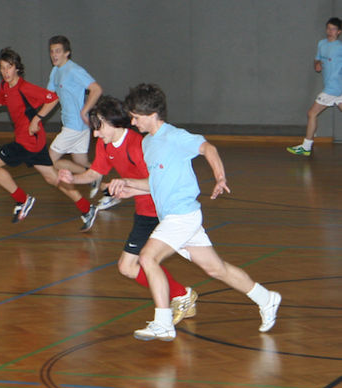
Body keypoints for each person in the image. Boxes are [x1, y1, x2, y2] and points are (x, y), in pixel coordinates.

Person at [114, 83, 281, 341]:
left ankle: (163, 322)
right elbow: (156, 182)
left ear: (150, 114)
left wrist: (220, 177)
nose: (133, 122)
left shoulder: (175, 136)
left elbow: (208, 149)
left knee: (147, 258)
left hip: (182, 216)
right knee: (216, 269)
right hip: (173, 218)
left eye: (135, 117)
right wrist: (129, 186)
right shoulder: (148, 144)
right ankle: (266, 298)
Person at [58, 95, 198, 324]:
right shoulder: (104, 144)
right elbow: (94, 173)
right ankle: (182, 295)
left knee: (200, 263)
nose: (95, 134)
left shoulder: (138, 145)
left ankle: (172, 307)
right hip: (145, 212)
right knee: (127, 266)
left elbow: (158, 183)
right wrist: (72, 178)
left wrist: (127, 184)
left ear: (113, 122)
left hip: (165, 210)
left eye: (98, 127)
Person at [0, 47, 97, 231]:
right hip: (32, 142)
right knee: (53, 179)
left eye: (9, 67)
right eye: (2, 68)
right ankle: (86, 208)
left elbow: (53, 98)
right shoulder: (6, 86)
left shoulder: (25, 88)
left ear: (17, 68)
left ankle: (23, 199)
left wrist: (37, 118)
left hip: (28, 142)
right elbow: (1, 99)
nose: (5, 72)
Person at [47, 36, 118, 211]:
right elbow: (48, 97)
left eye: (58, 51)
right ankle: (109, 189)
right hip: (76, 127)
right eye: (51, 51)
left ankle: (82, 200)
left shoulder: (73, 70)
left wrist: (84, 110)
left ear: (67, 53)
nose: (54, 55)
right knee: (83, 165)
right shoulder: (55, 72)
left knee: (47, 162)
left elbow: (96, 89)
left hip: (75, 127)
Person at [288, 17, 342, 156]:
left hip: (333, 88)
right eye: (328, 28)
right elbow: (317, 58)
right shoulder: (322, 44)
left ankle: (306, 146)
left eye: (334, 29)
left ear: (339, 32)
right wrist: (317, 64)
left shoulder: (340, 47)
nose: (330, 31)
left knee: (312, 113)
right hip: (335, 89)